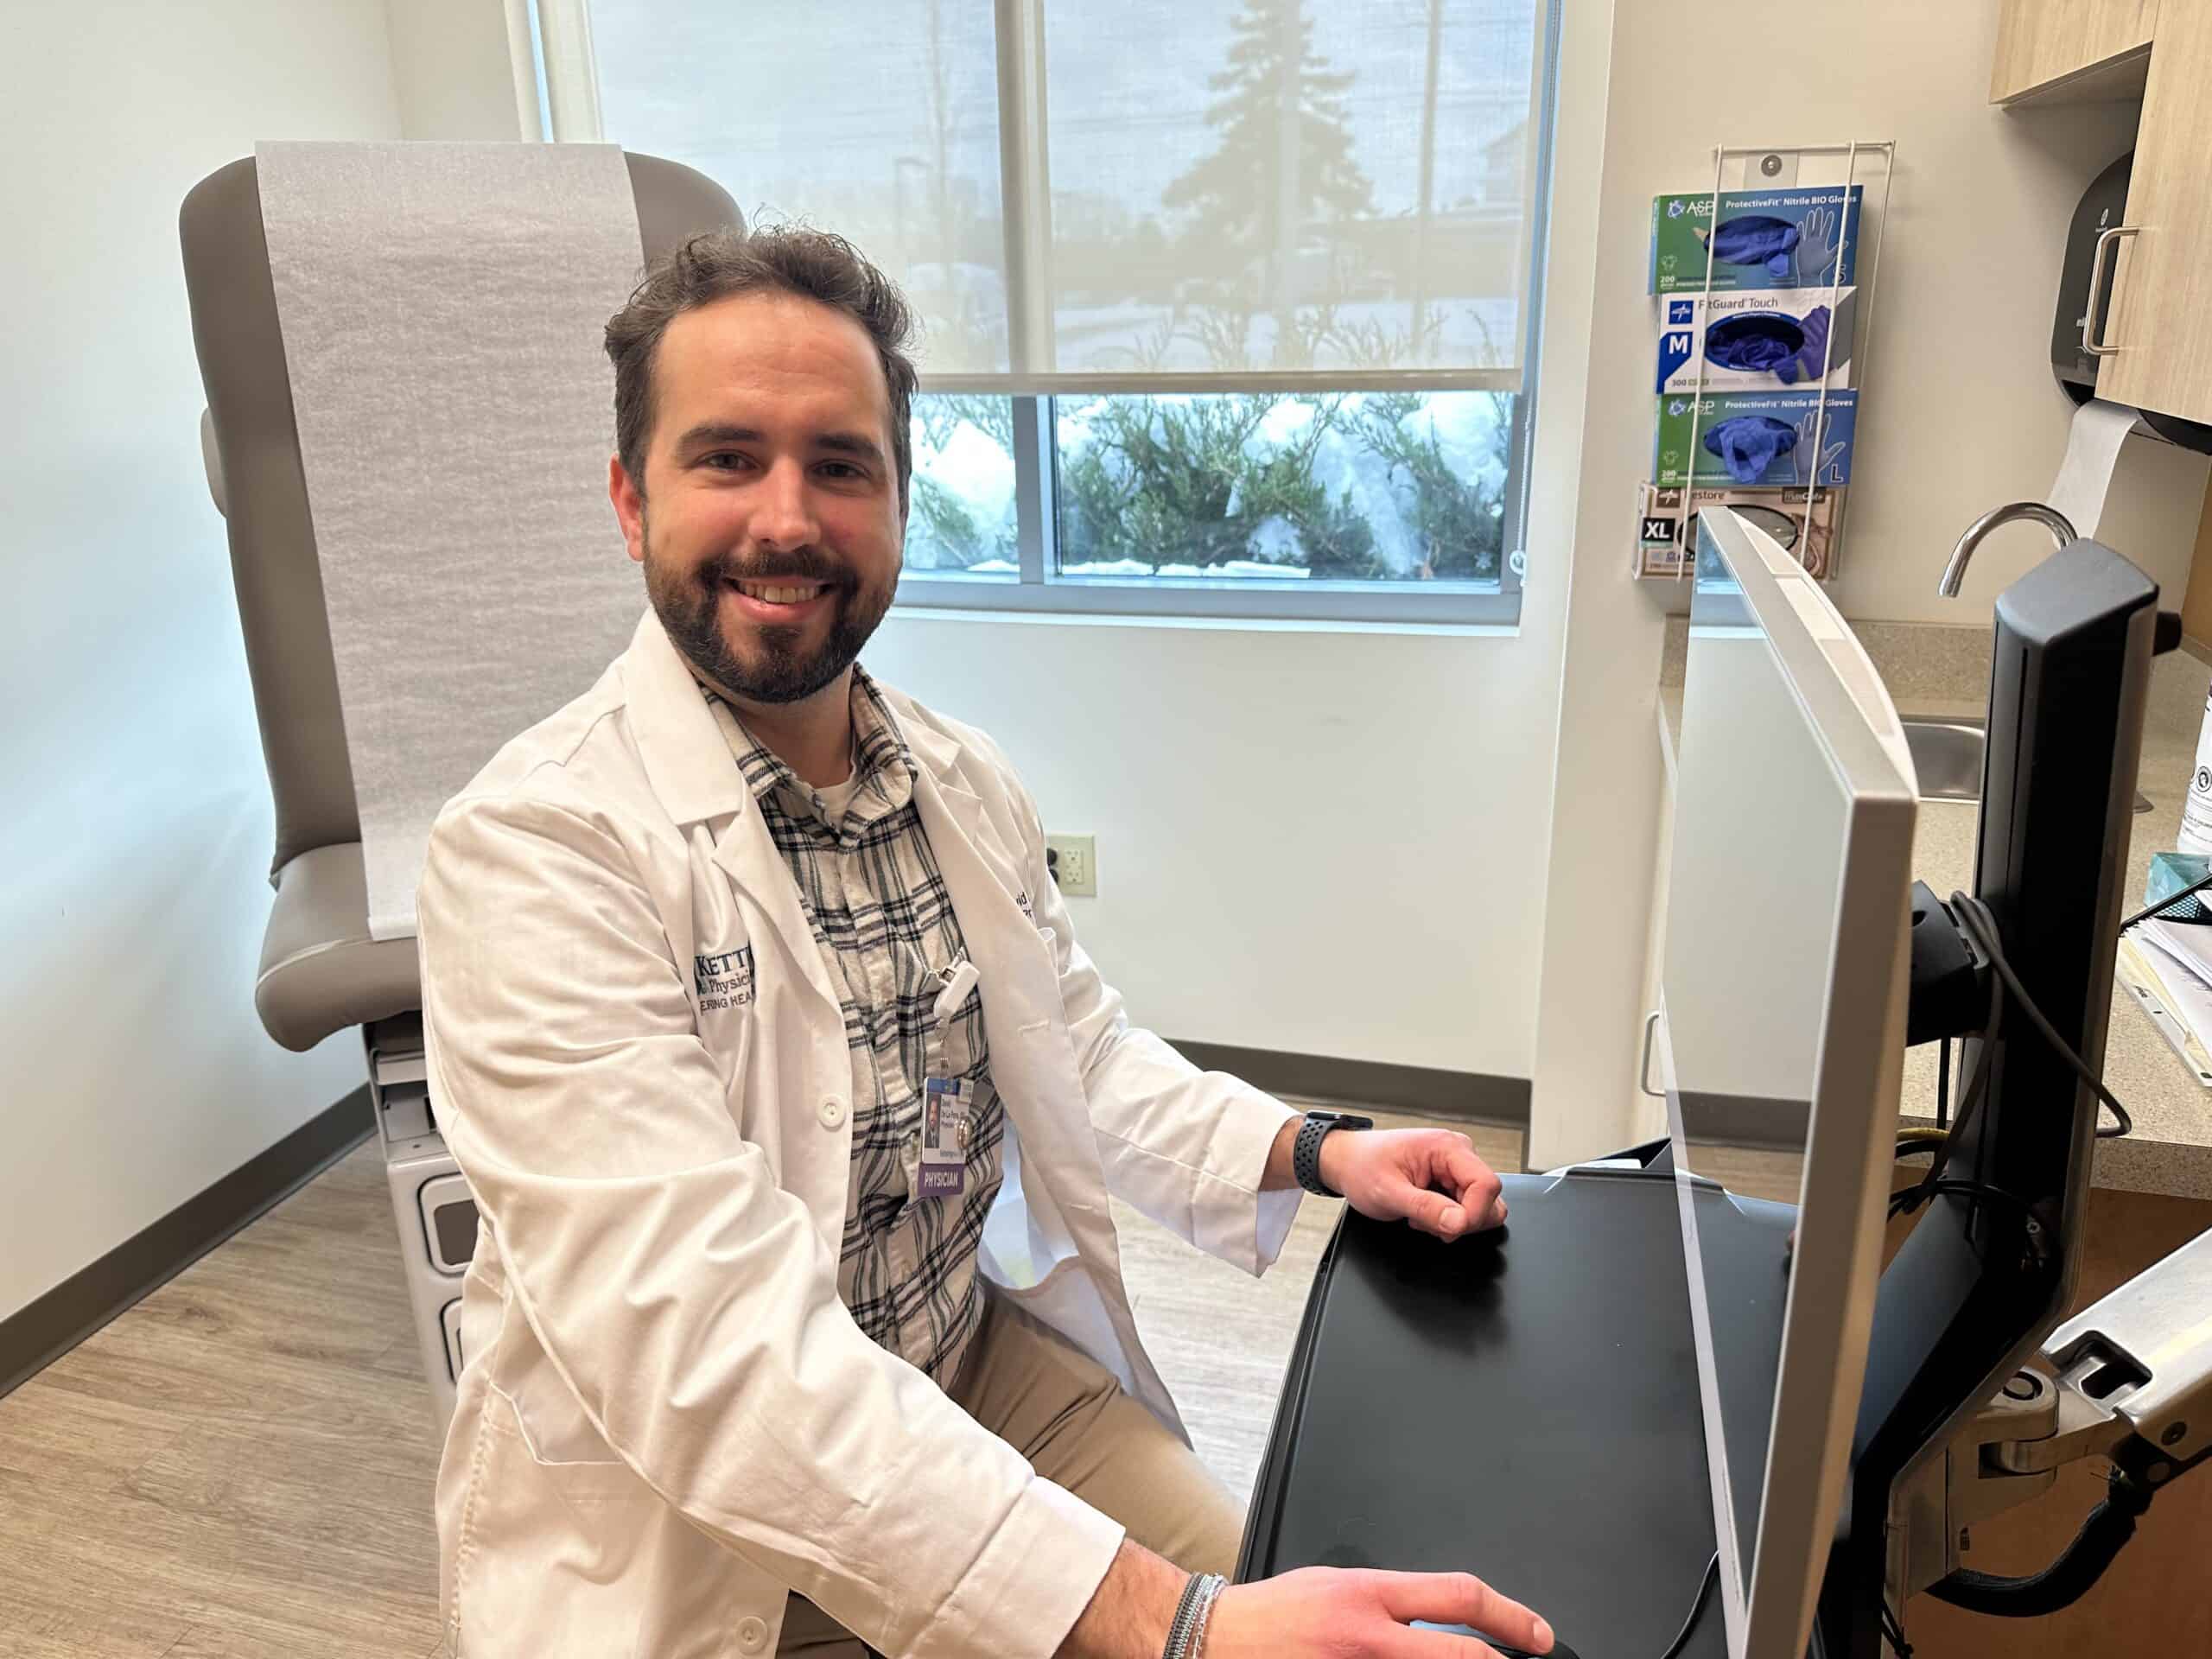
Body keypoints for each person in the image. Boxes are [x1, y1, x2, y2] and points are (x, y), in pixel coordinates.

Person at [416, 225, 1553, 1659]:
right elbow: (713, 1362)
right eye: (726, 459)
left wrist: (1318, 1151)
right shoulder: (532, 852)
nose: (787, 519)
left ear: (899, 500)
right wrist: (1179, 1629)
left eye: (840, 463)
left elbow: (1072, 1044)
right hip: (706, 1523)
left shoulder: (955, 781)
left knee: (1330, 1608)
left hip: (975, 1368)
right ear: (630, 502)